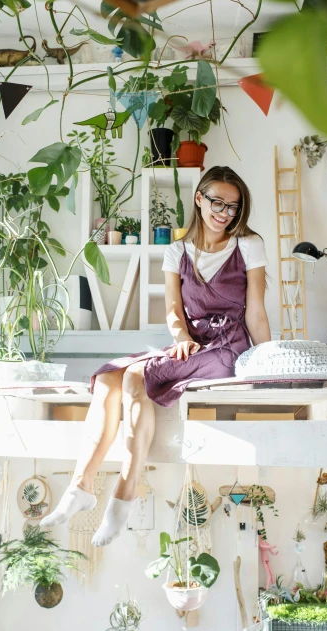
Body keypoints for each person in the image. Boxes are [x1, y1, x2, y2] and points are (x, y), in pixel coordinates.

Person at [41, 165, 271, 545]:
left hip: (230, 346)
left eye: (233, 206)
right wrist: (180, 336)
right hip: (192, 344)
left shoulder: (248, 244)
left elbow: (256, 312)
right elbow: (173, 310)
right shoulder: (176, 251)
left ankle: (121, 495)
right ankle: (83, 486)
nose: (224, 212)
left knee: (134, 376)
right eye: (217, 201)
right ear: (199, 198)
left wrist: (266, 366)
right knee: (110, 376)